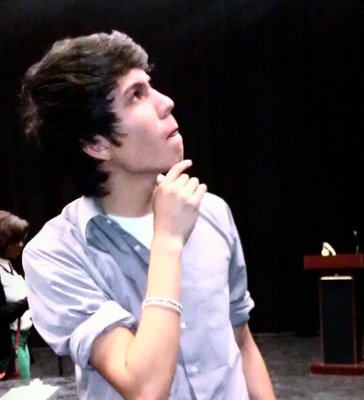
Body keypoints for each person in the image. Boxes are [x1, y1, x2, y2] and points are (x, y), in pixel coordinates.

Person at [20, 30, 276, 399]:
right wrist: (168, 240)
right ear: (96, 144)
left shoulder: (212, 212)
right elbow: (144, 387)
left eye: (150, 85)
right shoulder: (56, 255)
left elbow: (242, 343)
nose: (166, 102)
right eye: (136, 95)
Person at [0, 210, 32, 380]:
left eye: (22, 239)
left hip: (21, 340)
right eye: (15, 240)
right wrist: (29, 301)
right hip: (7, 346)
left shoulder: (6, 264)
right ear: (0, 240)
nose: (21, 245)